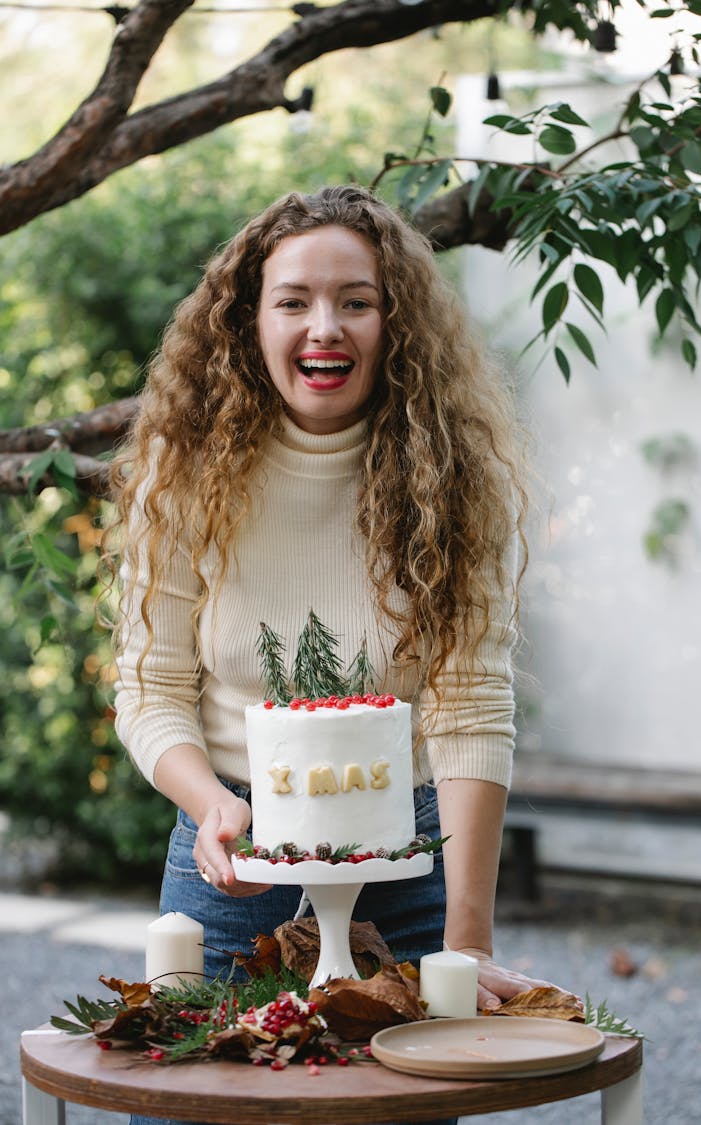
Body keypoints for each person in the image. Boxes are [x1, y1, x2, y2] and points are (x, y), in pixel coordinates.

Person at [110, 184, 553, 1125]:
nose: (327, 326)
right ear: (249, 317)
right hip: (232, 873)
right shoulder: (180, 472)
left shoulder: (458, 479)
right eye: (295, 300)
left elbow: (470, 707)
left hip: (410, 871)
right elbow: (150, 689)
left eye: (357, 299)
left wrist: (462, 945)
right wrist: (212, 804)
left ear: (395, 319)